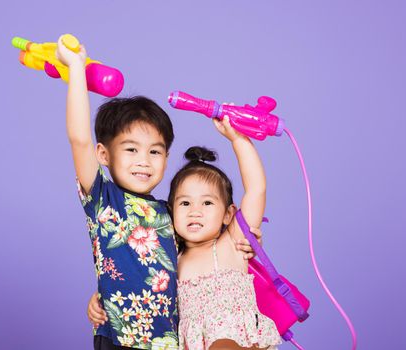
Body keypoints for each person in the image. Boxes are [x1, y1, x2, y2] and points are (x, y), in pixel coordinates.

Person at [56, 35, 260, 350]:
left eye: (155, 152)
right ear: (104, 154)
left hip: (168, 342)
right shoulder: (102, 198)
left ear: (166, 157)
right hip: (119, 338)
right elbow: (79, 139)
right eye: (131, 149)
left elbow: (203, 248)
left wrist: (244, 241)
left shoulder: (172, 214)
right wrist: (77, 71)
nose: (143, 161)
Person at [89, 117, 281, 349]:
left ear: (228, 214)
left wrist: (238, 140)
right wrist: (101, 298)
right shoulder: (170, 257)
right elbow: (137, 282)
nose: (195, 212)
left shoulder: (232, 243)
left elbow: (256, 189)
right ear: (170, 211)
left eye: (207, 203)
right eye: (185, 204)